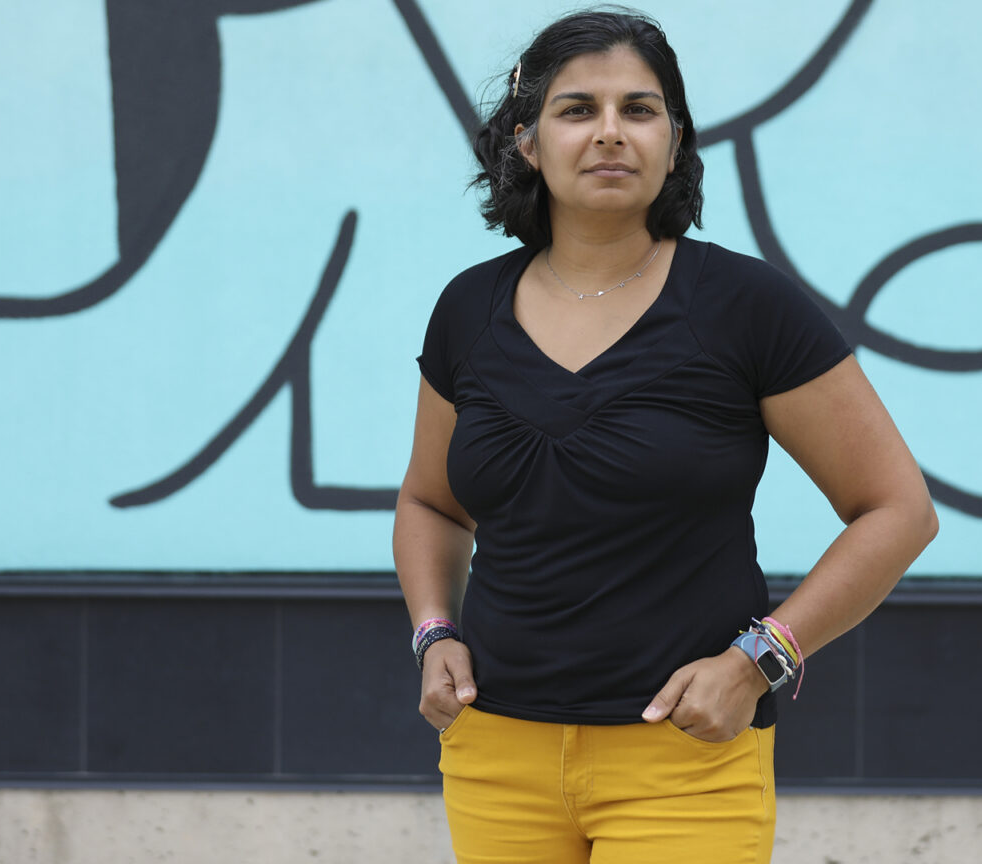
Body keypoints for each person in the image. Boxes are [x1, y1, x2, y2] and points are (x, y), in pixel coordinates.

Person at [393, 9, 937, 863]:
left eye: (639, 110)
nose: (610, 132)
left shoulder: (747, 307)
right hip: (495, 752)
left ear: (675, 142)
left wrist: (762, 658)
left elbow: (897, 510)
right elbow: (431, 502)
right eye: (578, 109)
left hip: (685, 759)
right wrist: (434, 634)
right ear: (527, 142)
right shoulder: (470, 308)